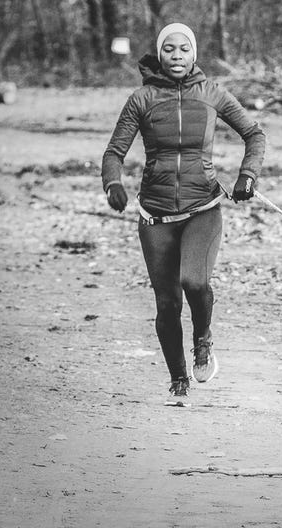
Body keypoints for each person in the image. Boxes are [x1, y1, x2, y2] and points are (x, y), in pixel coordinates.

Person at [101, 22, 265, 402]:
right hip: (155, 215)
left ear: (194, 54)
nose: (177, 56)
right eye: (169, 49)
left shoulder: (212, 94)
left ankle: (203, 339)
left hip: (202, 207)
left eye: (184, 49)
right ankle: (178, 378)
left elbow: (254, 134)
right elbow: (114, 153)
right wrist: (113, 184)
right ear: (160, 54)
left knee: (195, 283)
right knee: (167, 303)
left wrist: (247, 176)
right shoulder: (141, 99)